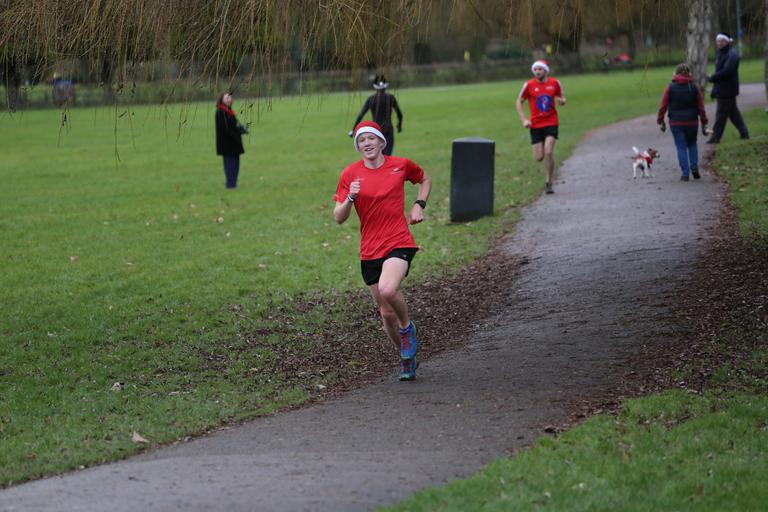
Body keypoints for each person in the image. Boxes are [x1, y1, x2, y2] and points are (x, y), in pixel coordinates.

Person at [333, 121, 432, 381]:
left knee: (389, 289)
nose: (366, 143)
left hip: (398, 240)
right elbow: (338, 217)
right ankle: (406, 358)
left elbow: (424, 179)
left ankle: (407, 328)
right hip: (370, 250)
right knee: (386, 312)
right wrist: (350, 198)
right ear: (358, 146)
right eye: (361, 140)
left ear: (381, 141)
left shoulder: (400, 165)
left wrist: (419, 204)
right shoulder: (350, 174)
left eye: (370, 138)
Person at [516, 60, 566, 194]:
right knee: (539, 157)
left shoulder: (555, 83)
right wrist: (524, 120)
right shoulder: (529, 85)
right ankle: (543, 144)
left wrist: (562, 101)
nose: (537, 72)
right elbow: (519, 101)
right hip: (536, 124)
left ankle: (549, 181)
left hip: (551, 122)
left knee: (548, 152)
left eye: (540, 69)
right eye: (535, 69)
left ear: (546, 70)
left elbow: (562, 97)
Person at [657, 63, 709, 181]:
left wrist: (660, 120)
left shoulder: (670, 87)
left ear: (675, 73)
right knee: (692, 144)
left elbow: (663, 106)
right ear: (689, 73)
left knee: (681, 147)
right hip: (692, 122)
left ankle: (685, 173)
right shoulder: (694, 87)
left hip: (676, 123)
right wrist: (704, 122)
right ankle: (694, 167)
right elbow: (701, 107)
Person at [706, 32, 749, 144]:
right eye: (718, 41)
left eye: (722, 41)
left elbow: (727, 71)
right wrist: (714, 89)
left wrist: (712, 78)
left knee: (721, 115)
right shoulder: (721, 53)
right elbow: (721, 71)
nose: (720, 43)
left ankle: (715, 137)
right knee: (733, 114)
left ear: (727, 42)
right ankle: (744, 133)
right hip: (723, 89)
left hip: (727, 90)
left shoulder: (732, 55)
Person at [349, 75, 403, 156]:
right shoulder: (391, 98)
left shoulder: (371, 99)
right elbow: (399, 114)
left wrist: (353, 130)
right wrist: (399, 125)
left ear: (374, 86)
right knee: (388, 156)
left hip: (376, 130)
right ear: (386, 86)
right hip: (388, 128)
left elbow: (361, 115)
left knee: (378, 156)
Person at [215, 91, 248, 188]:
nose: (229, 99)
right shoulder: (220, 112)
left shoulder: (229, 111)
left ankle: (234, 183)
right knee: (229, 165)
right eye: (226, 98)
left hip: (234, 143)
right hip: (227, 144)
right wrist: (237, 132)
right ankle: (230, 184)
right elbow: (225, 129)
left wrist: (242, 129)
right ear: (221, 100)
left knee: (236, 165)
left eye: (230, 97)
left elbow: (233, 126)